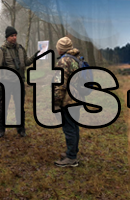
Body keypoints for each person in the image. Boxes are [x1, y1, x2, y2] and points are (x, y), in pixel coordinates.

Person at [0, 26, 33, 138]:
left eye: (15, 35)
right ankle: (1, 129)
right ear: (7, 37)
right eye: (12, 36)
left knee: (20, 107)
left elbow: (26, 62)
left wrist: (35, 57)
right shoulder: (2, 50)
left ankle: (21, 129)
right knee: (3, 107)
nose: (14, 38)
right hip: (6, 84)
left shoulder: (21, 49)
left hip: (19, 83)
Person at [53, 36, 84, 168]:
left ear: (60, 49)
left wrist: (56, 102)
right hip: (77, 98)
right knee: (74, 127)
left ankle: (71, 158)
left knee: (69, 128)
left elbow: (60, 85)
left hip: (68, 100)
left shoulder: (63, 62)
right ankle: (72, 152)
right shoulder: (76, 59)